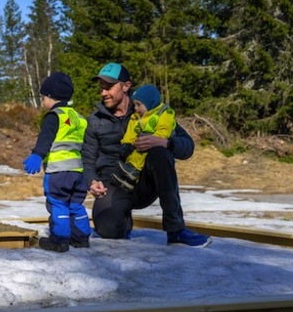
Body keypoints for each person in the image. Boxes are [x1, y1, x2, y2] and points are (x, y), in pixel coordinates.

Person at [82, 62, 211, 247]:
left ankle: (176, 231)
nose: (103, 93)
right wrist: (92, 181)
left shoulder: (153, 111)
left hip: (145, 183)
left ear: (126, 86)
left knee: (160, 153)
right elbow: (87, 159)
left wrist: (166, 142)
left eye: (109, 87)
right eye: (101, 88)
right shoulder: (94, 121)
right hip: (114, 183)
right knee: (109, 231)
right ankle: (121, 219)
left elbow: (188, 147)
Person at [23, 72, 92, 252]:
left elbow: (46, 138)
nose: (43, 101)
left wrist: (37, 155)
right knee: (75, 204)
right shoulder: (79, 118)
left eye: (43, 97)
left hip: (58, 172)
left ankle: (59, 240)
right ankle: (81, 239)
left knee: (58, 203)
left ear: (51, 96)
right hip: (78, 171)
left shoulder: (55, 116)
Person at [113, 84, 176, 192]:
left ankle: (132, 171)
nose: (136, 108)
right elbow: (131, 132)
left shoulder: (164, 113)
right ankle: (129, 179)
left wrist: (154, 139)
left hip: (154, 145)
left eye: (139, 105)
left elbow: (164, 129)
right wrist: (127, 143)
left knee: (142, 152)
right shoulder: (136, 117)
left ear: (149, 103)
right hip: (140, 142)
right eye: (134, 105)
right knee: (134, 152)